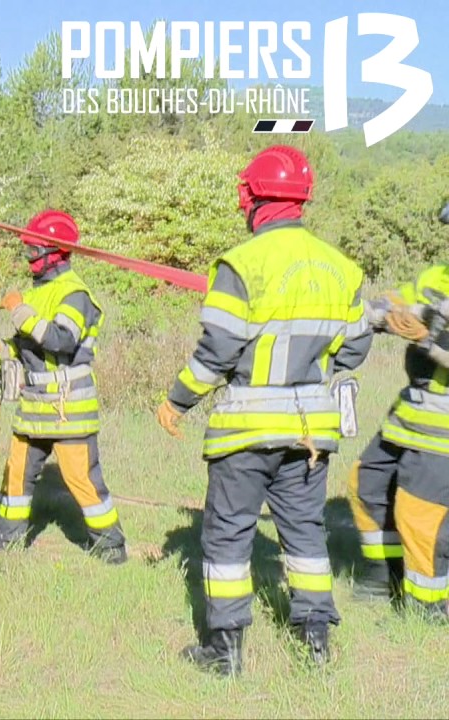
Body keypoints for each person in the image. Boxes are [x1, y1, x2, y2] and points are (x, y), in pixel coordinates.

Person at [156, 145, 373, 677]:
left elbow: (217, 354)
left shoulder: (240, 265)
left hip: (247, 432)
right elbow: (355, 350)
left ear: (252, 198)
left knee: (229, 534)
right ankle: (315, 642)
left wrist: (176, 401)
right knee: (305, 533)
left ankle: (224, 652)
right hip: (312, 436)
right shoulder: (341, 268)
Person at [0, 210, 127, 564]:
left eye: (33, 251)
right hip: (34, 404)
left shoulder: (75, 294)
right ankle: (6, 548)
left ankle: (111, 548)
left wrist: (19, 311)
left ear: (55, 253)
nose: (29, 259)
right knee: (16, 477)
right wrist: (2, 349)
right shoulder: (39, 293)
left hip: (69, 408)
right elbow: (29, 345)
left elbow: (60, 341)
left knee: (81, 480)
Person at [347, 202, 449, 620]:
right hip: (412, 416)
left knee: (420, 518)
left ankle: (428, 610)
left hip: (442, 429)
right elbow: (398, 302)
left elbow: (429, 330)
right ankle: (383, 578)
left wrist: (429, 337)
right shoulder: (438, 276)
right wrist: (369, 310)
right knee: (365, 485)